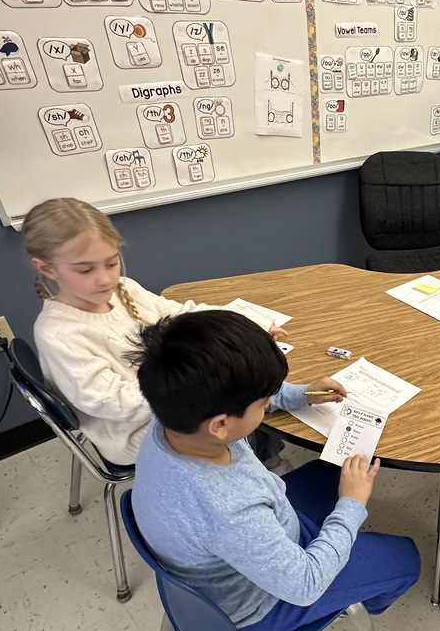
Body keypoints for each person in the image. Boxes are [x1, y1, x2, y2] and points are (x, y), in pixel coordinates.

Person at [129, 310, 420, 631]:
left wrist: (300, 395)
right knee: (406, 559)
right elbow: (305, 584)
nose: (268, 403)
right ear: (221, 425)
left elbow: (237, 394)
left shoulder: (176, 415)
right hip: (266, 602)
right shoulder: (228, 509)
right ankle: (355, 603)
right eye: (264, 403)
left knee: (334, 470)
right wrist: (351, 505)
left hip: (256, 539)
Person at [22, 197, 286, 467]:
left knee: (250, 379)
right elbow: (111, 402)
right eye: (86, 269)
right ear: (46, 268)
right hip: (131, 431)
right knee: (237, 397)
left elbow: (183, 314)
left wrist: (251, 322)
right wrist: (195, 387)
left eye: (112, 263)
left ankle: (266, 459)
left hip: (167, 397)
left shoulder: (125, 289)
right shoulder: (59, 333)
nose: (105, 278)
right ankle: (257, 472)